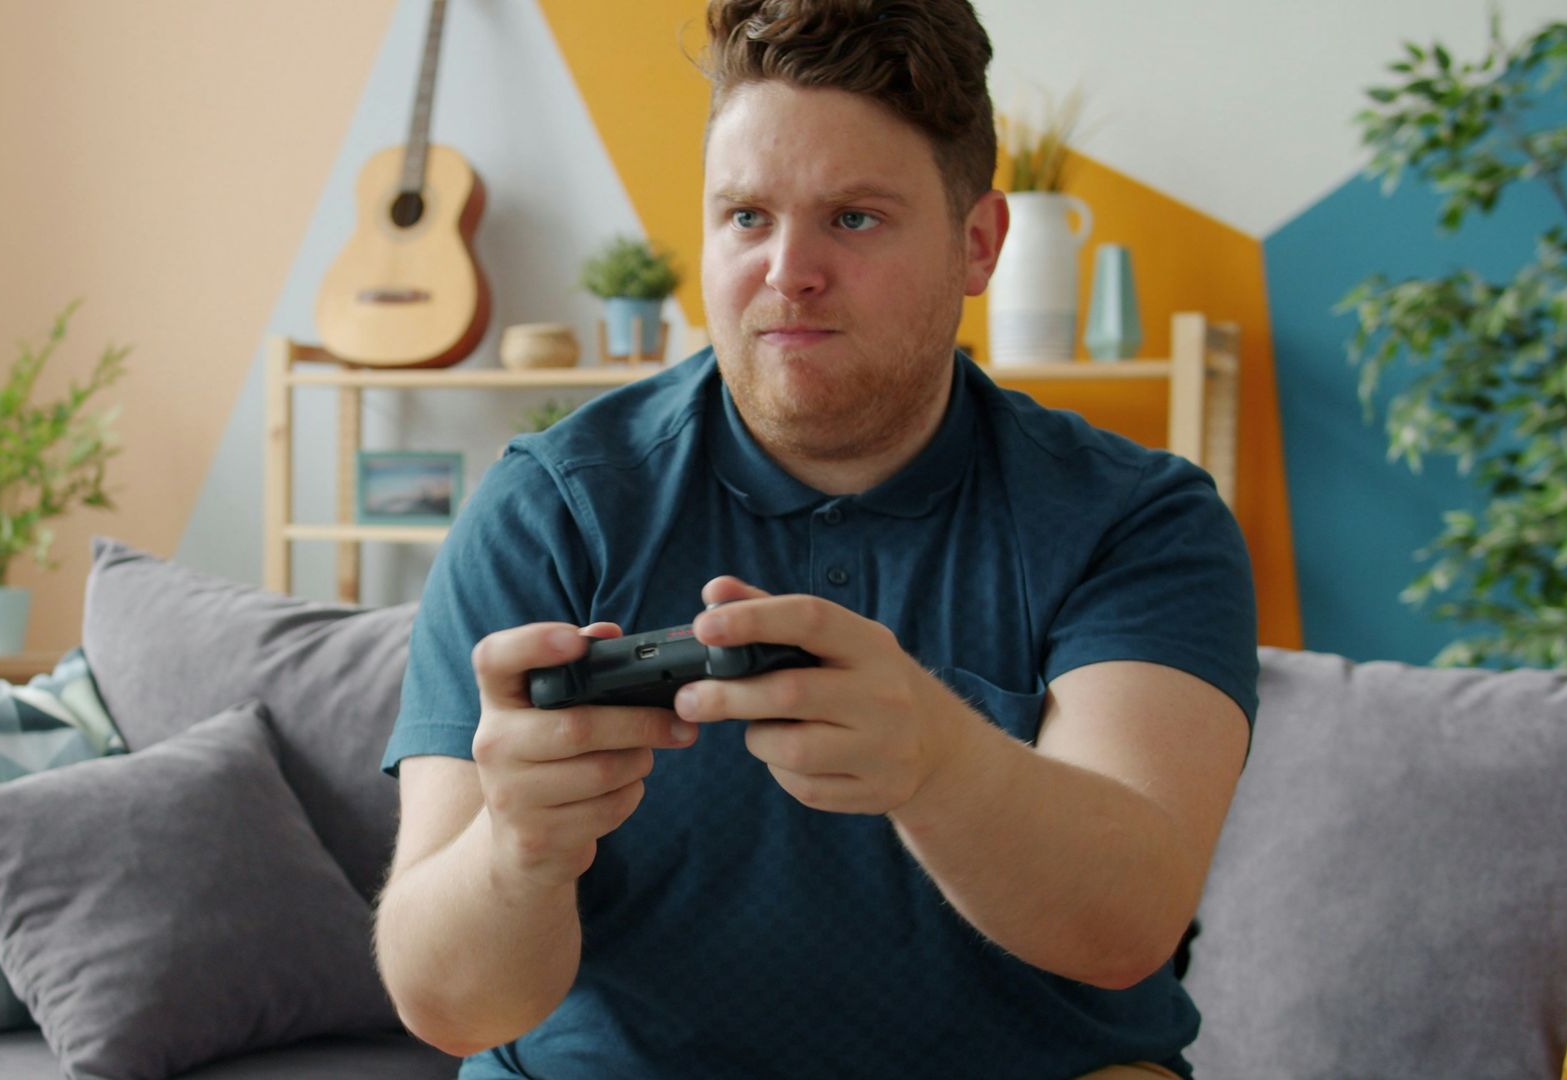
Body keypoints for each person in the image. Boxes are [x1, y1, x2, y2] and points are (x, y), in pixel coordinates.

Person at [373, 1, 1258, 1076]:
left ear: (977, 246)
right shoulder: (552, 507)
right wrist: (518, 849)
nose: (788, 270)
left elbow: (1127, 931)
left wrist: (937, 761)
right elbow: (451, 1007)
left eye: (854, 219)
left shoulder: (1137, 519)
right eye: (746, 216)